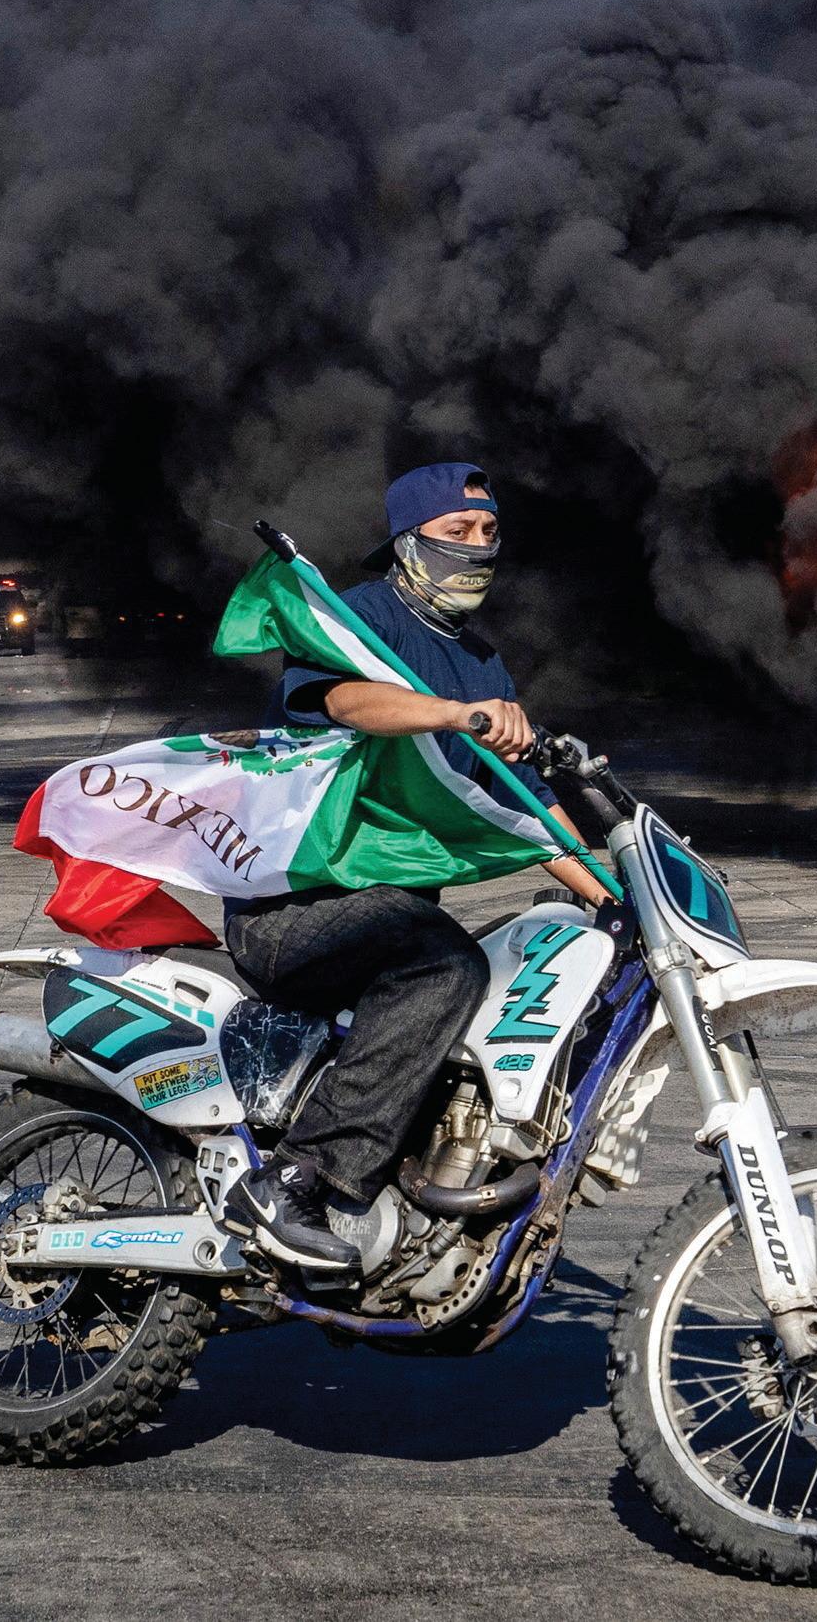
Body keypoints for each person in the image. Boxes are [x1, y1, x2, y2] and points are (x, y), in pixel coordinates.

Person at [218, 463, 615, 1272]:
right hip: (293, 912)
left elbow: (527, 807)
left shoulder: (481, 661)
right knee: (446, 964)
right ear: (407, 542)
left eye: (489, 531)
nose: (478, 546)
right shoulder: (360, 618)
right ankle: (297, 1176)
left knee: (517, 966)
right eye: (457, 531)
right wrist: (454, 714)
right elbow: (342, 700)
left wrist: (615, 900)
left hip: (384, 923)